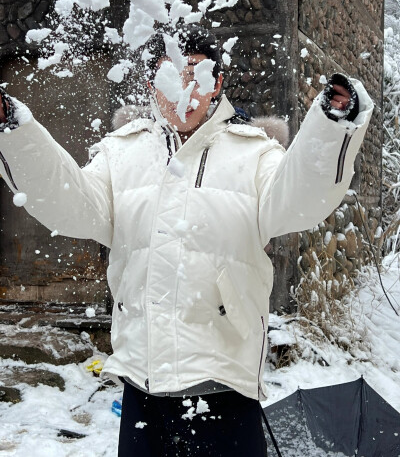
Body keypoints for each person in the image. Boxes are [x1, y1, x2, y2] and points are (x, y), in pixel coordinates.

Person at [0, 25, 373, 456]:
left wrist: (331, 125)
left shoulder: (255, 153)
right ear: (151, 85)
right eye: (171, 74)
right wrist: (13, 128)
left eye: (196, 73)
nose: (184, 87)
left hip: (223, 381)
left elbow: (299, 202)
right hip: (143, 381)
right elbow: (69, 205)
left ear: (216, 84)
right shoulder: (122, 152)